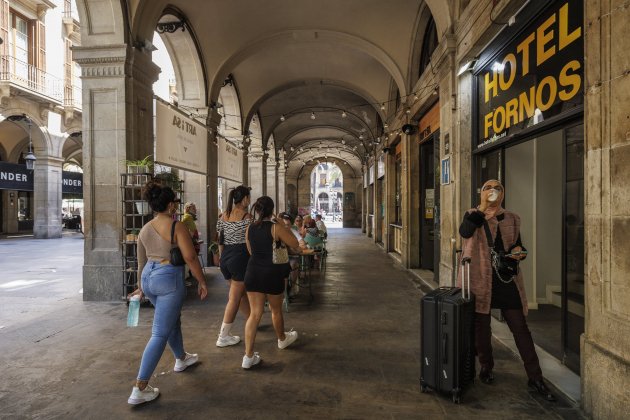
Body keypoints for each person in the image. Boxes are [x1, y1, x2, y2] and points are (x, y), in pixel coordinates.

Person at [458, 179, 556, 402]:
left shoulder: (512, 218)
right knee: (481, 328)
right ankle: (486, 366)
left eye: (498, 189)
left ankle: (535, 377)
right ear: (482, 192)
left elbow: (519, 247)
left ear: (503, 194)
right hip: (480, 278)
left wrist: (516, 255)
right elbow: (465, 232)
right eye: (489, 188)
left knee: (520, 327)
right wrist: (482, 207)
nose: (494, 192)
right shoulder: (473, 214)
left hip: (505, 279)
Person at [127, 181, 208, 405]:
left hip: (148, 278)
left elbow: (141, 261)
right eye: (176, 204)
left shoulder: (145, 228)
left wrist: (141, 287)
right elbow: (190, 257)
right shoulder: (176, 226)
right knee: (159, 333)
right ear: (171, 205)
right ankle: (139, 388)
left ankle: (181, 358)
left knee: (172, 320)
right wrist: (201, 281)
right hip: (168, 278)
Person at [242, 197, 300, 369]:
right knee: (275, 310)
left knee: (254, 314)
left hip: (253, 272)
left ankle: (248, 356)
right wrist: (281, 223)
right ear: (271, 210)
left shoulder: (249, 228)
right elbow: (295, 244)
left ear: (258, 210)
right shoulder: (276, 228)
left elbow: (250, 250)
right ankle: (282, 339)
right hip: (272, 272)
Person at [215, 186, 252, 347]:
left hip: (226, 258)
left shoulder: (223, 216)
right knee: (234, 298)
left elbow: (220, 240)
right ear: (244, 199)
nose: (249, 200)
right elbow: (249, 241)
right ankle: (223, 336)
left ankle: (252, 320)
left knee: (240, 293)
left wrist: (222, 259)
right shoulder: (247, 217)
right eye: (248, 197)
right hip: (240, 257)